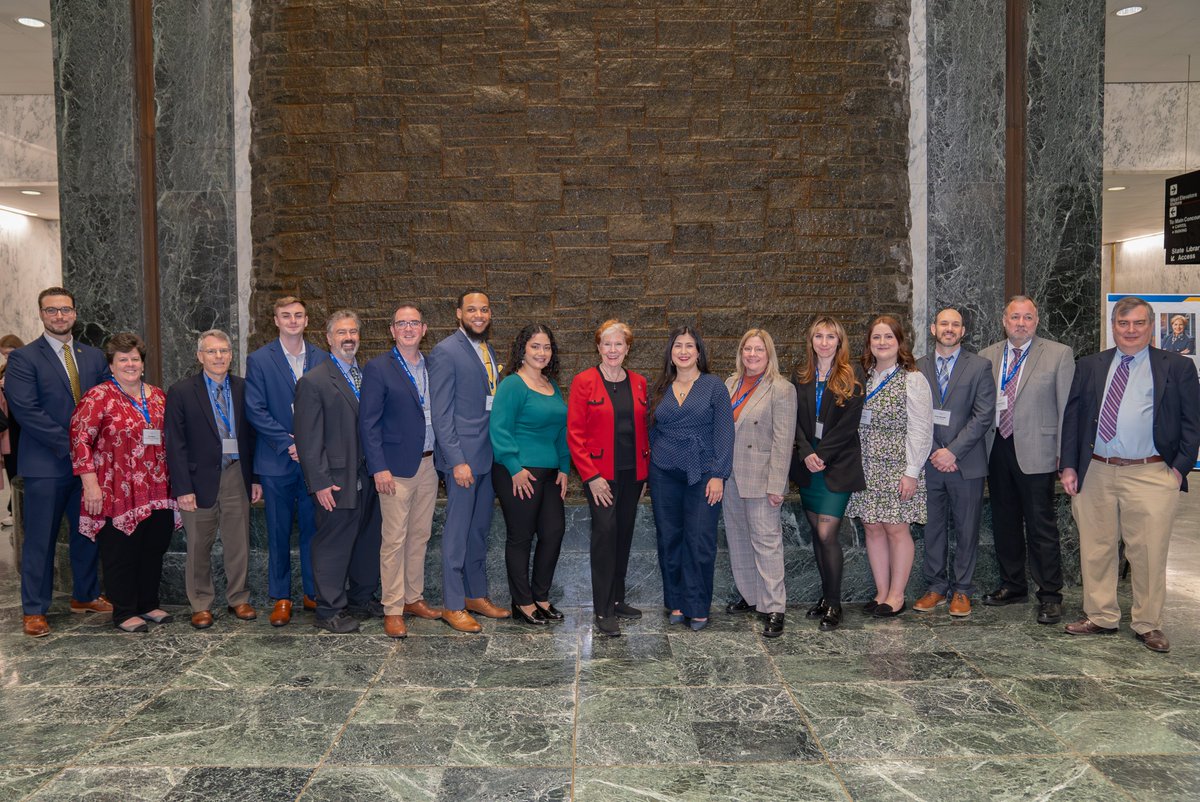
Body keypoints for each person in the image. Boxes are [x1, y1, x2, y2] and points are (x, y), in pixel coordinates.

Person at [1060, 296, 1200, 653]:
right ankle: (1101, 615)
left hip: (1151, 473)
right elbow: (1073, 418)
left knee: (1149, 551)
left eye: (1138, 323)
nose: (1131, 330)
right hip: (1097, 471)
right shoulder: (1091, 365)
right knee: (1096, 548)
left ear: (1151, 326)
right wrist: (1070, 465)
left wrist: (1178, 470)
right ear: (1113, 326)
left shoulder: (1176, 367)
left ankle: (1148, 623)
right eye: (1123, 324)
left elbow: (1191, 423)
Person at [5, 288, 111, 637]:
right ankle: (34, 609)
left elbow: (105, 405)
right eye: (52, 311)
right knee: (40, 538)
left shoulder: (94, 356)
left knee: (87, 533)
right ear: (41, 315)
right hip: (47, 464)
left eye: (65, 310)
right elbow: (25, 410)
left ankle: (84, 595)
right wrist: (74, 446)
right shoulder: (24, 358)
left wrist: (94, 449)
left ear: (75, 313)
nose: (59, 316)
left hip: (90, 468)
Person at [69, 333, 180, 633]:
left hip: (157, 488)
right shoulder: (98, 397)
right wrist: (90, 484)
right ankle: (124, 610)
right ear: (112, 365)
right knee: (122, 551)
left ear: (143, 364)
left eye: (135, 359)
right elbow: (80, 440)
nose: (130, 364)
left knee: (153, 546)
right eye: (123, 360)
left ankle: (147, 603)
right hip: (116, 489)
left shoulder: (157, 395)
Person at [980, 295, 1075, 625]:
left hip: (1038, 451)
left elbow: (1066, 410)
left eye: (1028, 318)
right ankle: (1013, 585)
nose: (1021, 323)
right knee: (1004, 522)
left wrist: (1065, 458)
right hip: (997, 448)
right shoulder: (987, 356)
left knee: (1041, 527)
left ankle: (1050, 594)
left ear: (1037, 321)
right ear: (1004, 321)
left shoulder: (1058, 354)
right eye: (1015, 317)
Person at [294, 310, 383, 634]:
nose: (349, 338)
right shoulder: (314, 381)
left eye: (353, 332)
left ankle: (360, 599)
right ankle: (329, 609)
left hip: (369, 477)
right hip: (335, 481)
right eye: (341, 332)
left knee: (365, 541)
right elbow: (307, 438)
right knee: (333, 544)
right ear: (329, 338)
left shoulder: (368, 375)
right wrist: (319, 483)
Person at [165, 329, 261, 630]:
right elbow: (175, 444)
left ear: (231, 355)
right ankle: (201, 604)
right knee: (197, 546)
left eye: (223, 351)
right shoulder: (181, 391)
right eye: (211, 351)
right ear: (199, 356)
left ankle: (238, 598)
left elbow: (254, 438)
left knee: (238, 543)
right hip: (197, 480)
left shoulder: (245, 388)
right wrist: (182, 488)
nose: (218, 357)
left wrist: (255, 478)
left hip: (236, 475)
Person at [244, 296, 329, 627]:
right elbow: (255, 409)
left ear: (307, 321)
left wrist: (308, 445)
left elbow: (329, 407)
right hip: (276, 461)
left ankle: (311, 591)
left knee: (313, 529)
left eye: (298, 315)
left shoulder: (322, 358)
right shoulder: (259, 360)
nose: (293, 321)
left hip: (313, 463)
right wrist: (286, 442)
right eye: (286, 316)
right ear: (276, 320)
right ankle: (281, 597)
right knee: (278, 531)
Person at [360, 304, 443, 639]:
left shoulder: (433, 366)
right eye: (401, 323)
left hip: (428, 464)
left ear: (424, 329)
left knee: (420, 535)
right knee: (393, 539)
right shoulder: (378, 368)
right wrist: (378, 467)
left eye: (414, 323)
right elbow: (368, 423)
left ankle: (413, 597)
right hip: (394, 469)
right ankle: (393, 608)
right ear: (391, 330)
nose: (408, 328)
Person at [429, 290, 510, 633]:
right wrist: (456, 460)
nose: (479, 314)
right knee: (457, 535)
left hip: (486, 457)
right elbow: (441, 413)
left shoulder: (485, 349)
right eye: (472, 309)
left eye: (485, 309)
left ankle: (476, 595)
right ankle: (452, 603)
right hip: (462, 460)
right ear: (458, 313)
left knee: (478, 532)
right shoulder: (445, 351)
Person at [647, 326, 734, 631]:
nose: (683, 351)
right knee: (669, 538)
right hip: (663, 472)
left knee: (699, 541)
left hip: (703, 473)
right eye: (677, 346)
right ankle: (676, 602)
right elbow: (652, 431)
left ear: (699, 352)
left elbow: (725, 432)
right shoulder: (659, 387)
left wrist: (719, 474)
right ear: (670, 353)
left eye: (689, 346)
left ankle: (697, 606)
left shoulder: (714, 386)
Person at [567, 320, 650, 638]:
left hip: (633, 475)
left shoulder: (640, 382)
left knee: (624, 536)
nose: (613, 350)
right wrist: (591, 477)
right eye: (606, 344)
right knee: (605, 535)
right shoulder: (584, 381)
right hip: (602, 477)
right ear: (598, 347)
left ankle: (617, 599)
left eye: (619, 344)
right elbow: (575, 434)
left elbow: (642, 431)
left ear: (628, 348)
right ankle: (602, 609)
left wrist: (645, 474)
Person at [846, 315, 933, 618]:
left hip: (898, 466)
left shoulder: (912, 378)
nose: (882, 343)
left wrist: (911, 472)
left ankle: (897, 595)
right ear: (869, 343)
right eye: (876, 338)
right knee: (872, 527)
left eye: (888, 337)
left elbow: (922, 429)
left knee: (896, 529)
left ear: (899, 342)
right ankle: (881, 591)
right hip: (867, 466)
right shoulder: (866, 377)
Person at [913, 308, 996, 617]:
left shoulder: (979, 367)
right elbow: (915, 415)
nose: (949, 329)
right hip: (929, 462)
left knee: (966, 528)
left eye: (955, 324)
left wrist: (953, 451)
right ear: (934, 328)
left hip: (966, 464)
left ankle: (962, 590)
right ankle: (935, 587)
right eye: (944, 323)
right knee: (932, 528)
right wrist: (936, 450)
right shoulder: (917, 367)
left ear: (963, 331)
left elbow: (983, 414)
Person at [490, 324, 570, 627]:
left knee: (553, 532)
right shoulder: (512, 384)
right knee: (521, 537)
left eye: (547, 347)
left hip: (550, 473)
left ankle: (541, 596)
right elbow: (498, 428)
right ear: (522, 349)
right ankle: (522, 601)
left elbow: (562, 430)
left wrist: (564, 467)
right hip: (517, 473)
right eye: (535, 346)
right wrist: (513, 467)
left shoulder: (552, 385)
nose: (542, 352)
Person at [789, 317, 865, 632]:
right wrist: (807, 452)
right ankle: (823, 597)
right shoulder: (800, 375)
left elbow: (850, 424)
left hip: (836, 464)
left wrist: (822, 454)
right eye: (818, 336)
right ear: (811, 341)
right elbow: (791, 418)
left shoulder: (853, 374)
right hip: (808, 466)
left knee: (826, 534)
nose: (824, 342)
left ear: (839, 341)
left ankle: (835, 604)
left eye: (830, 337)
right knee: (816, 537)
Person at [721, 329, 797, 638]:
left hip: (762, 477)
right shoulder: (729, 384)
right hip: (730, 477)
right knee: (738, 539)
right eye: (747, 350)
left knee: (766, 542)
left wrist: (777, 484)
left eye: (759, 350)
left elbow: (783, 440)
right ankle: (752, 597)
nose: (752, 355)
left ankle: (775, 607)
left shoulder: (781, 389)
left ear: (769, 355)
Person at [1, 333, 25, 528]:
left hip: (20, 427)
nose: (8, 358)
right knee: (11, 468)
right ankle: (14, 508)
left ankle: (18, 509)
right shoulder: (3, 370)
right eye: (4, 355)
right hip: (6, 427)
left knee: (20, 469)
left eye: (10, 353)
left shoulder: (26, 368)